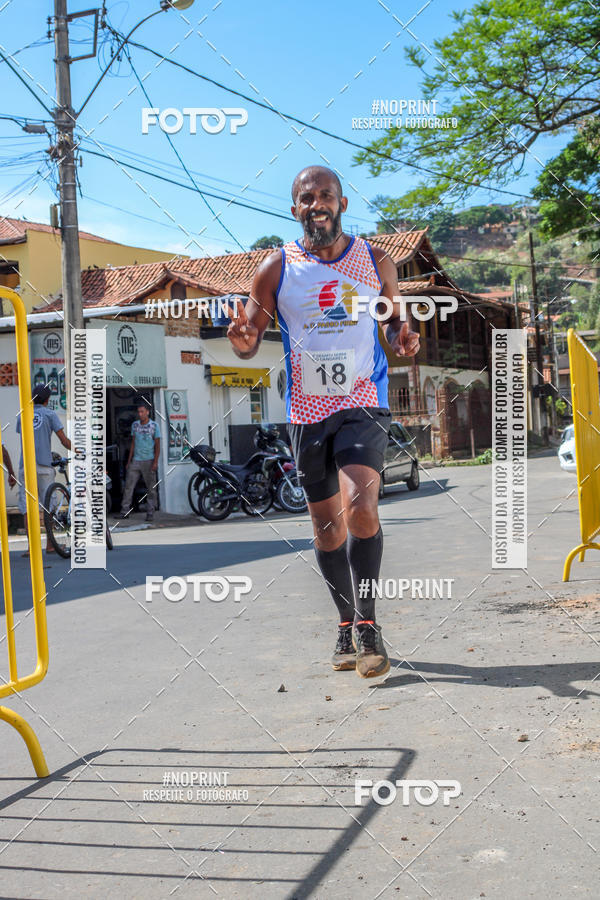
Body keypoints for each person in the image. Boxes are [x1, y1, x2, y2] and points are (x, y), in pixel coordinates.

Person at [226, 165, 420, 678]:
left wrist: (401, 335)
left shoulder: (375, 261)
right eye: (307, 197)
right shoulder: (275, 269)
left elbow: (393, 318)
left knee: (361, 504)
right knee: (326, 526)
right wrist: (243, 339)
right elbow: (249, 338)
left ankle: (370, 625)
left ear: (342, 204)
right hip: (307, 410)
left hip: (363, 398)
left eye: (327, 195)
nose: (318, 204)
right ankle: (343, 625)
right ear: (295, 209)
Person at [16, 384, 71, 555]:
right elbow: (63, 440)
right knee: (49, 505)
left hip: (25, 465)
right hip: (44, 466)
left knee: (27, 507)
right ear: (48, 400)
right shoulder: (50, 414)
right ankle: (50, 544)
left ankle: (31, 547)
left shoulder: (23, 414)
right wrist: (77, 449)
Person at [119, 400, 160, 522]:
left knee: (151, 488)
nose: (140, 414)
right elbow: (133, 443)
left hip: (149, 460)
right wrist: (129, 461)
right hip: (136, 460)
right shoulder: (135, 425)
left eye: (142, 411)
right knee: (128, 486)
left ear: (147, 412)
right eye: (139, 412)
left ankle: (150, 512)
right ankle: (124, 511)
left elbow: (157, 445)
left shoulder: (154, 426)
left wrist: (155, 462)